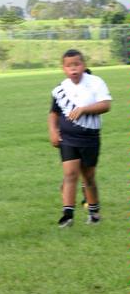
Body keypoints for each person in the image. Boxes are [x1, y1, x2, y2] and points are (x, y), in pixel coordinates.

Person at [48, 49, 111, 228]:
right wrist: (53, 131)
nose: (73, 69)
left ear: (83, 65)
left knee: (88, 176)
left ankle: (94, 212)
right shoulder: (60, 89)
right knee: (70, 174)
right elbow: (53, 114)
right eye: (69, 66)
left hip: (90, 138)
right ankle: (67, 215)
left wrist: (84, 109)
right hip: (67, 138)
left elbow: (106, 105)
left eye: (77, 64)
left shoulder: (96, 82)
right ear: (64, 69)